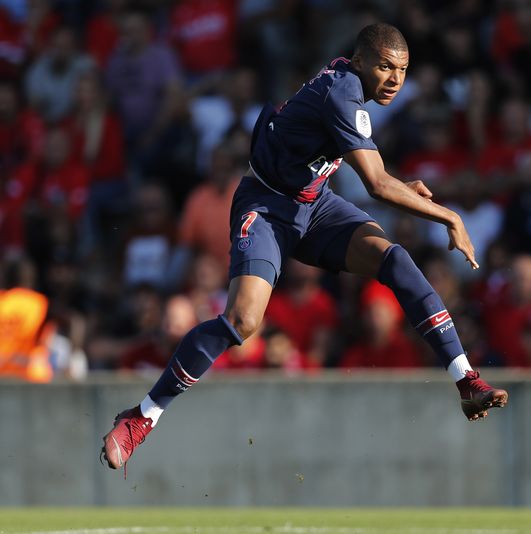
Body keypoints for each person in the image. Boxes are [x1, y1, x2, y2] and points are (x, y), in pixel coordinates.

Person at [101, 23, 508, 473]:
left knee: (395, 259)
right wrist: (450, 216)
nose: (394, 79)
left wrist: (399, 185)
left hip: (315, 205)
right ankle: (142, 418)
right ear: (359, 62)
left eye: (402, 70)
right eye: (385, 67)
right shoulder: (343, 91)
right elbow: (375, 184)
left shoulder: (351, 88)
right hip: (267, 205)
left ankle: (466, 380)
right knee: (242, 320)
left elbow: (368, 169)